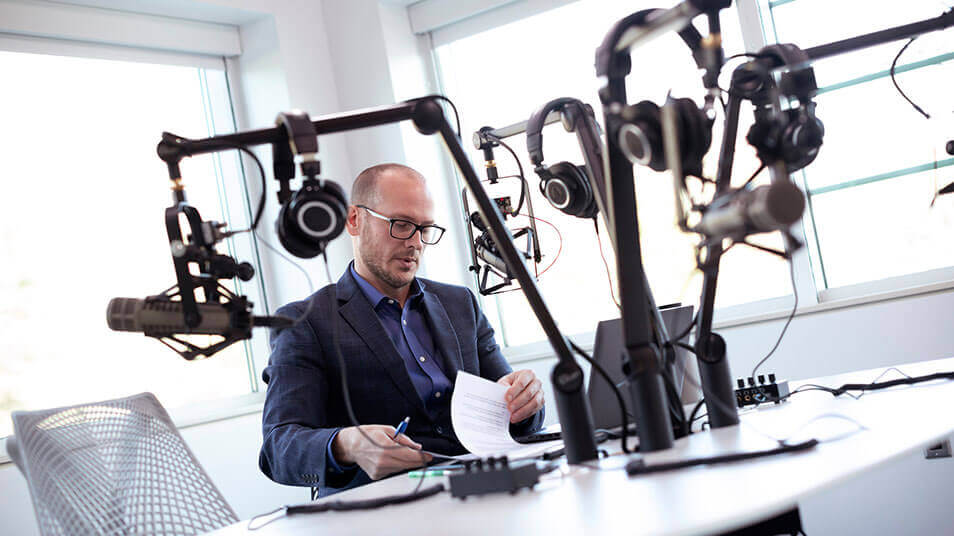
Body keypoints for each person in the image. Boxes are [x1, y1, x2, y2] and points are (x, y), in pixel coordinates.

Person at [258, 163, 545, 497]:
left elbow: (512, 412)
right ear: (355, 220)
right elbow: (278, 448)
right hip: (383, 506)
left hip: (479, 487)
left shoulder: (460, 304)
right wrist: (347, 445)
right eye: (401, 225)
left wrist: (525, 403)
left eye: (424, 229)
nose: (416, 243)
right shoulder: (306, 322)